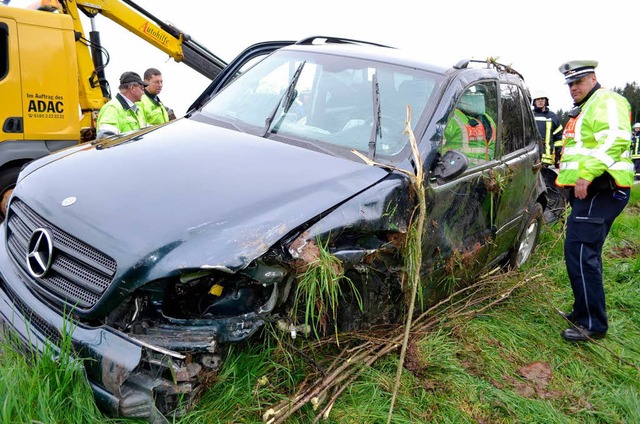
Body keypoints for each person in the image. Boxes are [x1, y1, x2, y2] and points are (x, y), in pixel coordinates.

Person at [555, 60, 634, 342]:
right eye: (570, 84)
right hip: (591, 194)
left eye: (579, 81)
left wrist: (586, 175)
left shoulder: (607, 101)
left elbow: (615, 140)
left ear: (593, 79)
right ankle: (582, 312)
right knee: (582, 252)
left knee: (580, 253)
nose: (573, 88)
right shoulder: (588, 106)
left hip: (600, 190)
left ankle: (592, 325)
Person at [443, 88, 496, 166]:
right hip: (457, 174)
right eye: (471, 93)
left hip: (486, 172)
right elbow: (434, 148)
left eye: (478, 92)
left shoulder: (488, 120)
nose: (477, 96)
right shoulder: (451, 118)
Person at [96, 71, 148, 138]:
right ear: (132, 88)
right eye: (141, 88)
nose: (143, 92)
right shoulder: (112, 109)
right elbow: (106, 140)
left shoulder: (137, 109)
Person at [532, 91, 563, 167]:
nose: (540, 101)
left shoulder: (553, 117)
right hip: (532, 158)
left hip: (546, 160)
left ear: (546, 101)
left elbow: (558, 140)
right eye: (538, 99)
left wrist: (558, 158)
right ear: (534, 102)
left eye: (542, 99)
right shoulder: (530, 116)